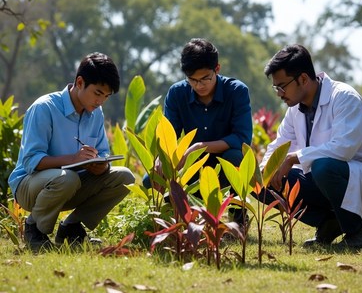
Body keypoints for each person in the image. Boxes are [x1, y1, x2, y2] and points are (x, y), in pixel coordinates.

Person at [255, 44, 362, 248]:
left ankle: (359, 232)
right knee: (260, 181)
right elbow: (279, 145)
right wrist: (265, 168)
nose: (279, 93)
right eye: (276, 87)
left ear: (303, 79)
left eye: (282, 86)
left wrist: (293, 158)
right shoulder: (295, 110)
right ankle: (329, 222)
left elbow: (342, 149)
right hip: (323, 179)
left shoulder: (345, 97)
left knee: (323, 166)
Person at [8, 52, 135, 251]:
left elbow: (103, 154)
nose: (101, 101)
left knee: (125, 177)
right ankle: (35, 228)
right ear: (80, 82)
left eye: (106, 96)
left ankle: (71, 227)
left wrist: (100, 166)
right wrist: (73, 159)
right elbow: (31, 161)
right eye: (98, 93)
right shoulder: (44, 108)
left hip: (71, 184)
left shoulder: (96, 113)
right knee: (67, 178)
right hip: (30, 186)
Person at [143, 38, 253, 226]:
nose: (199, 85)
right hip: (190, 165)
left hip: (223, 164)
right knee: (150, 178)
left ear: (217, 69)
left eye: (205, 79)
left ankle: (238, 215)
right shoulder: (177, 93)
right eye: (192, 80)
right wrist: (162, 159)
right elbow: (169, 135)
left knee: (236, 157)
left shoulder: (236, 91)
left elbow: (242, 138)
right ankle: (178, 214)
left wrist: (201, 147)